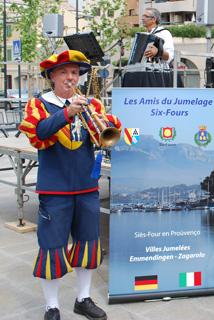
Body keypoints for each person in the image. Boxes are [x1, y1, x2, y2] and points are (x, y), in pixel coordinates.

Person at [19, 50, 121, 320]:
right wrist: (67, 112)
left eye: (75, 72)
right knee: (52, 247)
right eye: (64, 72)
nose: (70, 77)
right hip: (55, 189)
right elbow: (39, 133)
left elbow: (108, 136)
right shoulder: (39, 104)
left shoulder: (92, 105)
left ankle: (83, 298)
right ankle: (52, 305)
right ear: (52, 76)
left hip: (87, 187)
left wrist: (101, 121)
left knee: (88, 244)